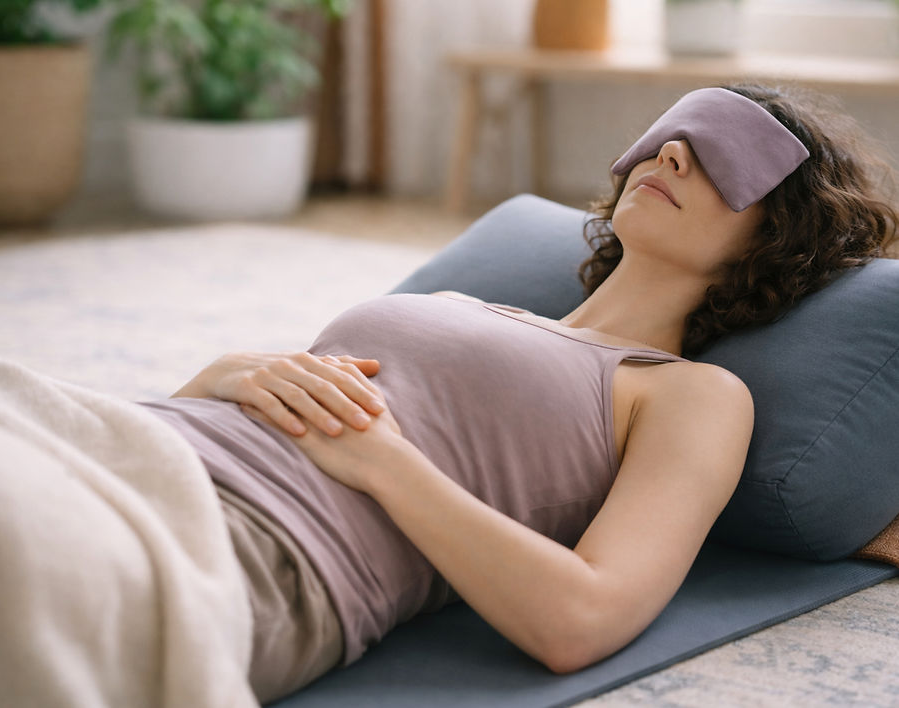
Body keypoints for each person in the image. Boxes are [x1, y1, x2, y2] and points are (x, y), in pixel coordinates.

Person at [142, 83, 897, 703]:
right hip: (144, 446)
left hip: (253, 548)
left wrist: (383, 464)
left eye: (726, 155)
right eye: (676, 134)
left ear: (784, 232)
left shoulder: (690, 394)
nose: (671, 152)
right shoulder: (461, 301)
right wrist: (222, 376)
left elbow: (582, 619)